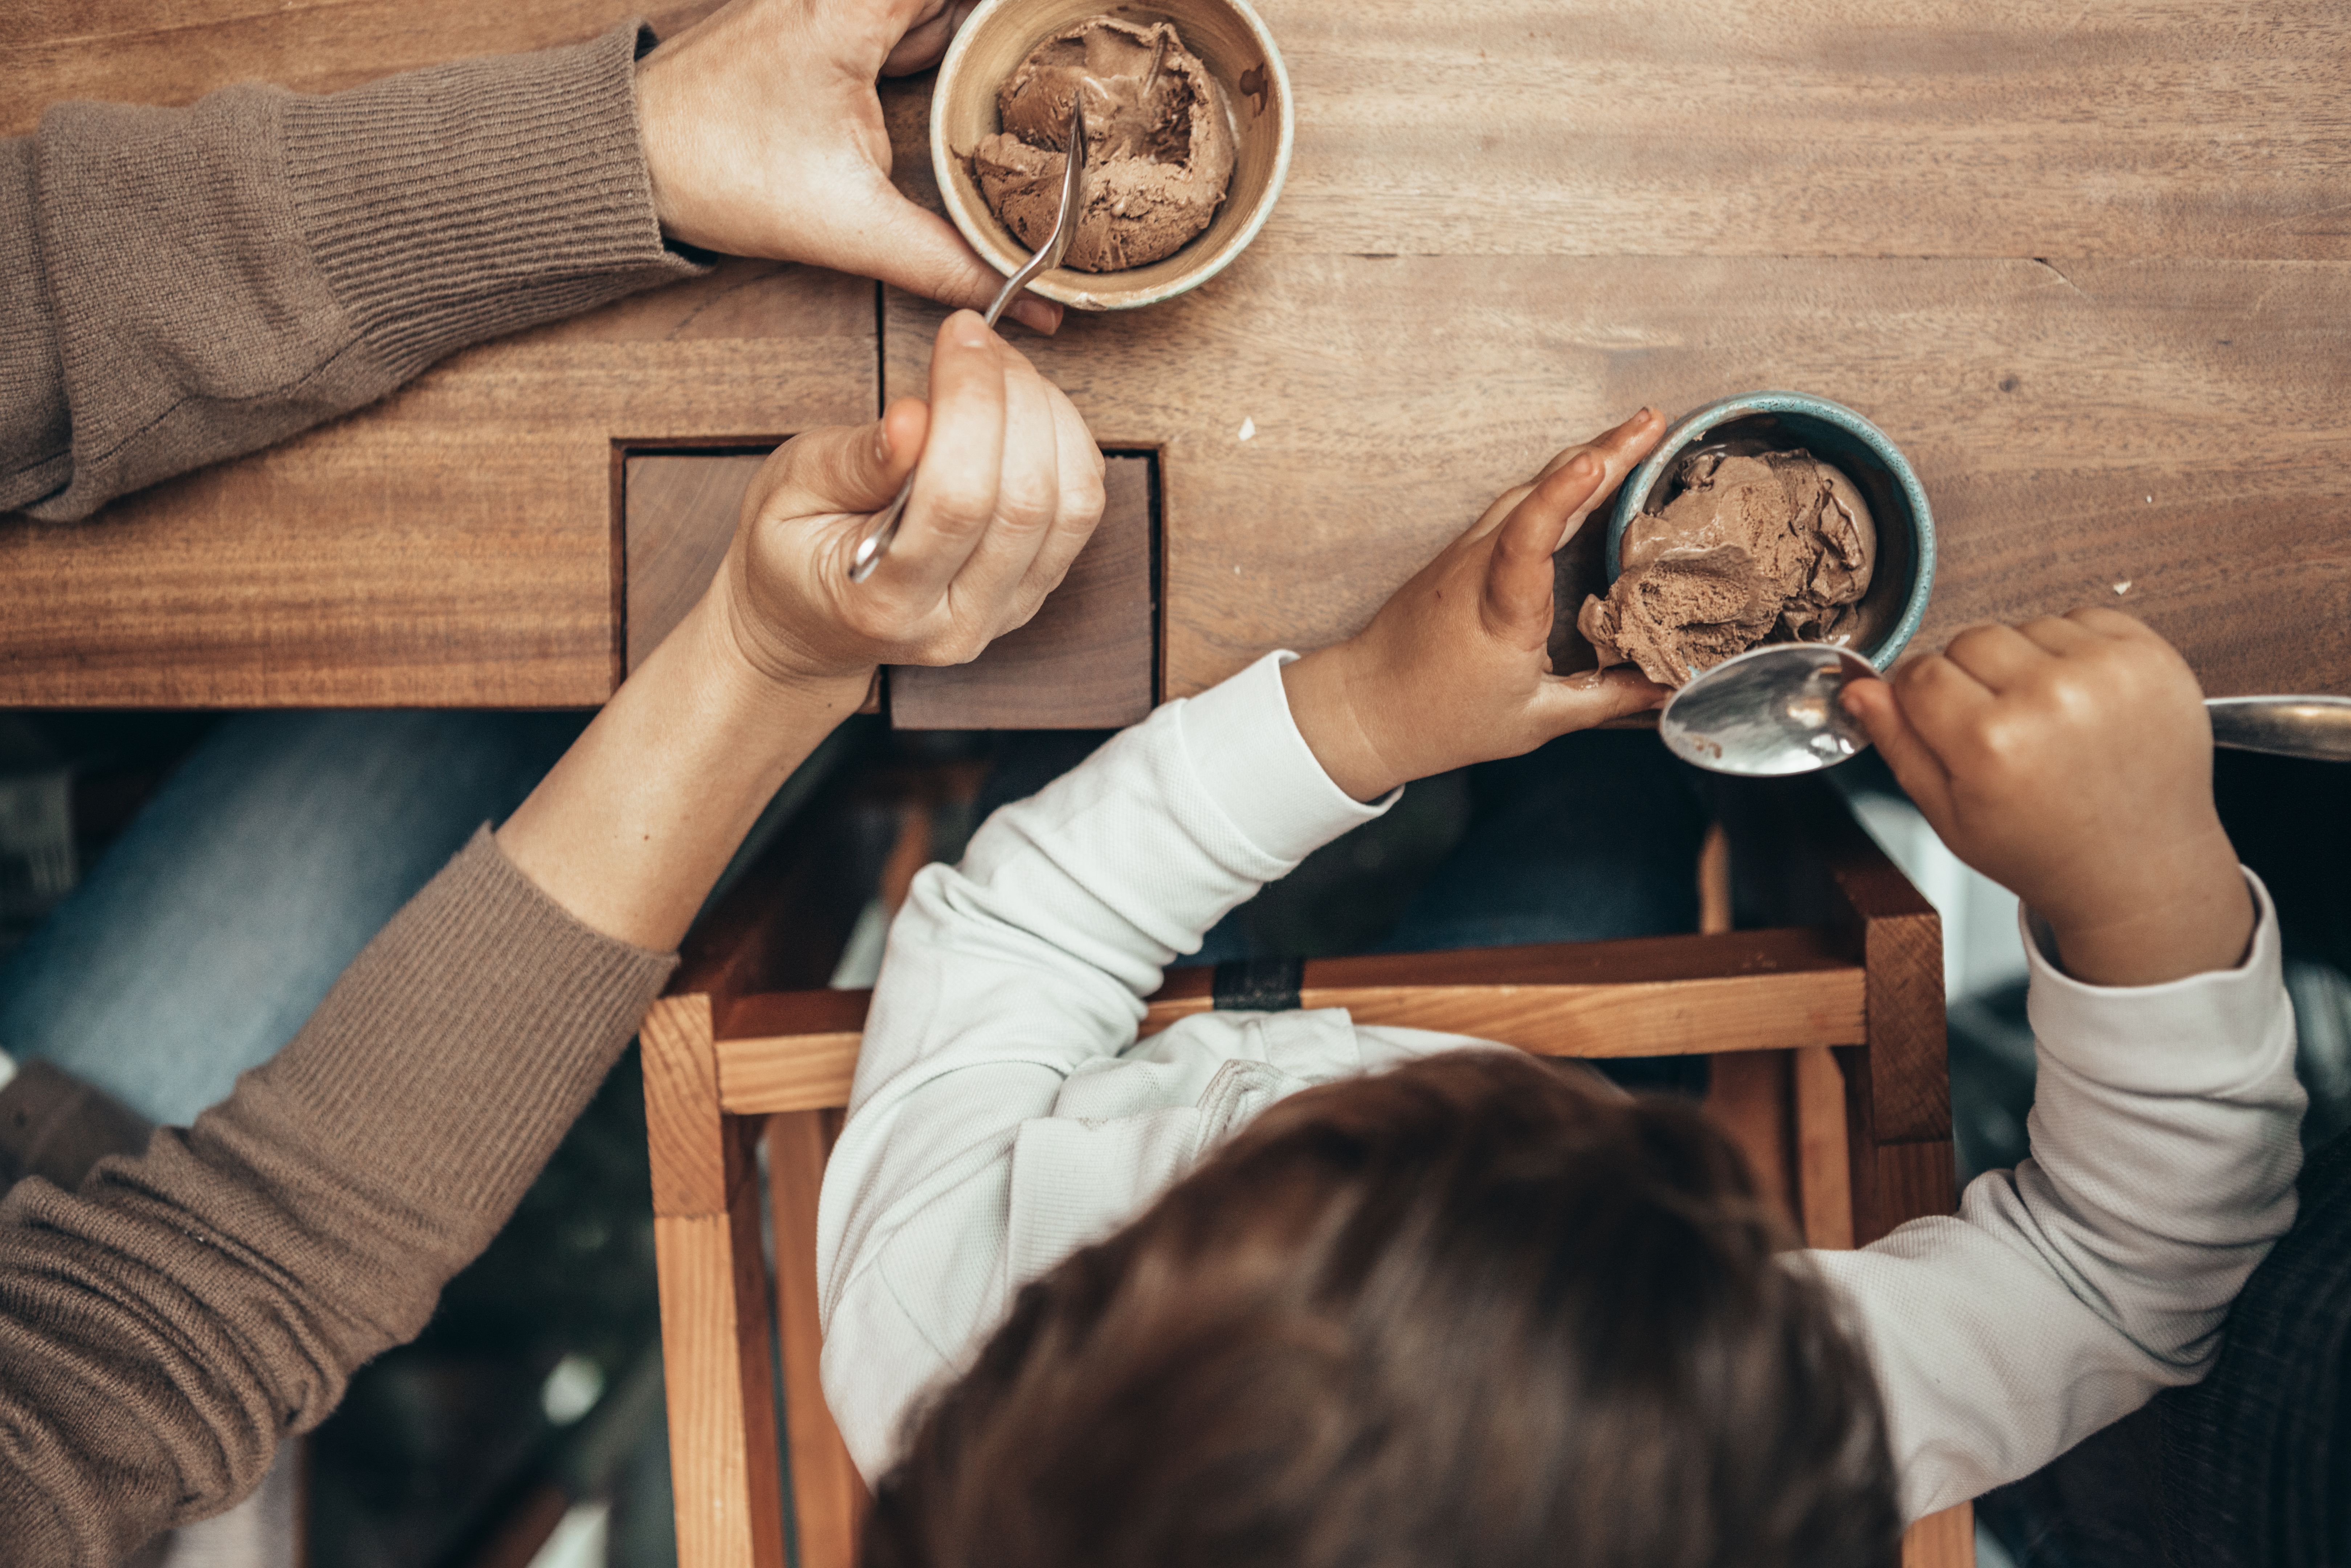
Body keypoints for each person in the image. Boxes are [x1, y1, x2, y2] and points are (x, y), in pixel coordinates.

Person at [815, 411, 2305, 1565]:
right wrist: (2136, 886)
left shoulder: (931, 1335)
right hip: (1516, 1003)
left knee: (1069, 677)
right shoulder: (1696, 1438)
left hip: (1108, 1023)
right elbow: (2116, 1282)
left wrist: (1360, 713)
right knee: (1614, 793)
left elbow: (1031, 930)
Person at [0, 0, 1062, 1130]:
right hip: (81, 1186)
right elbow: (258, 1259)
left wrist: (630, 144)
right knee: (572, 651)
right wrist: (768, 665)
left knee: (492, 681)